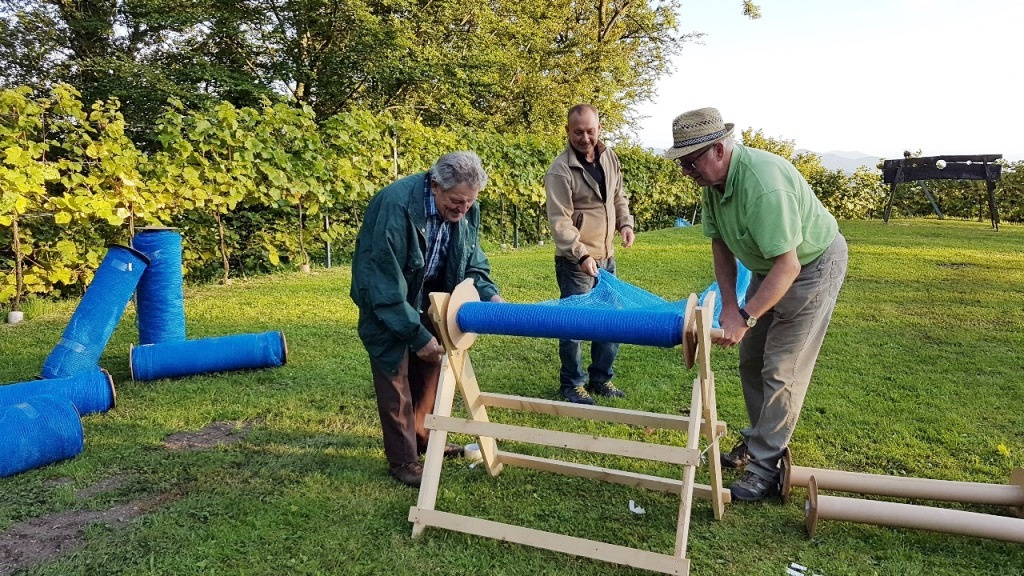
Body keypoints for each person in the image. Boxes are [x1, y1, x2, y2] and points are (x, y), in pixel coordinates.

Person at [665, 107, 848, 502]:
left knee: (782, 368)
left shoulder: (763, 185)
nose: (686, 171)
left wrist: (747, 315)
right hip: (770, 266)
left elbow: (789, 265)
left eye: (691, 162)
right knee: (751, 359)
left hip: (812, 264)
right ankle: (760, 441)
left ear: (717, 149)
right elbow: (721, 248)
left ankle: (765, 468)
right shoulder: (712, 185)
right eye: (682, 163)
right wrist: (729, 308)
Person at [350, 151, 504, 488]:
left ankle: (423, 438)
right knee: (396, 375)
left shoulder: (467, 208)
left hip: (434, 296)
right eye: (456, 201)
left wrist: (490, 293)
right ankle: (404, 460)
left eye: (469, 202)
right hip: (385, 299)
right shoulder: (395, 205)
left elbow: (473, 260)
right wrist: (416, 335)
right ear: (435, 185)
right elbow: (383, 283)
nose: (463, 209)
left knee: (432, 369)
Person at [544, 104, 636, 405]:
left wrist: (625, 223)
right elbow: (559, 221)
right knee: (575, 325)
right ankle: (572, 384)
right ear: (568, 131)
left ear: (599, 129)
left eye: (590, 131)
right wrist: (582, 255)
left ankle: (601, 379)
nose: (585, 137)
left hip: (607, 258)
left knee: (611, 321)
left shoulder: (610, 157)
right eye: (578, 132)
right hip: (576, 263)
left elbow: (618, 196)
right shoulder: (560, 169)